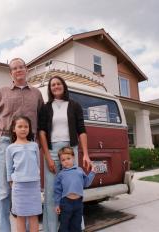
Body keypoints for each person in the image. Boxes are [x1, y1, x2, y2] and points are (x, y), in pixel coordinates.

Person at [0, 58, 44, 232]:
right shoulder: (1, 92)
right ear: (11, 73)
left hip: (29, 144)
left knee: (28, 190)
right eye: (14, 68)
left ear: (27, 69)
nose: (18, 70)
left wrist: (39, 140)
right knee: (3, 192)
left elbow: (43, 119)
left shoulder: (37, 94)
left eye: (21, 67)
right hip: (5, 143)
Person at [38, 75, 92, 232]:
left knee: (74, 189)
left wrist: (86, 154)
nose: (55, 86)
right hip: (52, 150)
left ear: (63, 86)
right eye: (52, 85)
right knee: (51, 192)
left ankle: (77, 228)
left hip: (71, 149)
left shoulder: (75, 105)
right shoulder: (46, 107)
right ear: (50, 88)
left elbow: (82, 130)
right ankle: (52, 229)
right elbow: (41, 132)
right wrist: (47, 156)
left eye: (58, 83)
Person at [6, 116, 42, 232]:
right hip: (19, 186)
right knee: (20, 216)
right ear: (13, 129)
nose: (23, 129)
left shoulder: (34, 145)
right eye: (20, 126)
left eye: (26, 126)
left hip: (33, 185)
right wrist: (11, 182)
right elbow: (9, 168)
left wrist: (37, 179)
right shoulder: (10, 148)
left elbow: (38, 164)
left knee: (34, 215)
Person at [54, 147, 95, 232]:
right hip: (65, 203)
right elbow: (57, 191)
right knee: (64, 225)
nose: (66, 161)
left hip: (78, 204)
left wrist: (92, 172)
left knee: (76, 226)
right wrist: (57, 204)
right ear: (61, 162)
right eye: (63, 160)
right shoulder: (61, 175)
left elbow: (86, 183)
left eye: (68, 158)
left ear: (73, 158)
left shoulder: (79, 170)